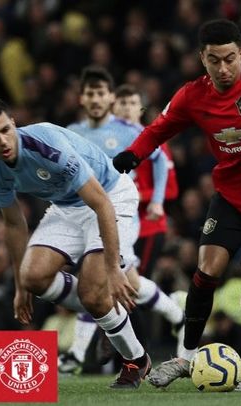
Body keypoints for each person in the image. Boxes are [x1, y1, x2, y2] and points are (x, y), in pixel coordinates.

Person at [113, 19, 241, 391]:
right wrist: (134, 154)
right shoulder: (192, 96)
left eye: (230, 59)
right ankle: (185, 358)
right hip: (232, 197)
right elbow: (160, 127)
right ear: (202, 59)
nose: (223, 68)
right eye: (214, 60)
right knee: (206, 271)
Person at [0, 96, 150, 389]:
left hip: (109, 196)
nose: (3, 140)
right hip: (66, 206)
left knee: (93, 293)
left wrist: (113, 269)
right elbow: (14, 223)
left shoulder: (48, 147)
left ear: (14, 123)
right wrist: (19, 286)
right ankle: (105, 312)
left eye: (6, 129)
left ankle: (136, 361)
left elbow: (101, 204)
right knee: (33, 277)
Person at [59, 67, 184, 374]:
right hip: (91, 217)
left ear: (110, 98)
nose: (96, 99)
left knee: (102, 279)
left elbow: (158, 160)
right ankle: (176, 315)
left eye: (102, 93)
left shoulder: (132, 132)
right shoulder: (73, 131)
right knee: (125, 284)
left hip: (129, 219)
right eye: (90, 93)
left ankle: (79, 354)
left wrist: (155, 201)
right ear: (81, 98)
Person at [112, 84, 179, 279]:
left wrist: (140, 195)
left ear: (141, 109)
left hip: (147, 225)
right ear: (113, 108)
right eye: (122, 103)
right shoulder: (105, 141)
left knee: (135, 285)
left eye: (132, 103)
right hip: (114, 225)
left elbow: (172, 190)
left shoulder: (155, 143)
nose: (126, 109)